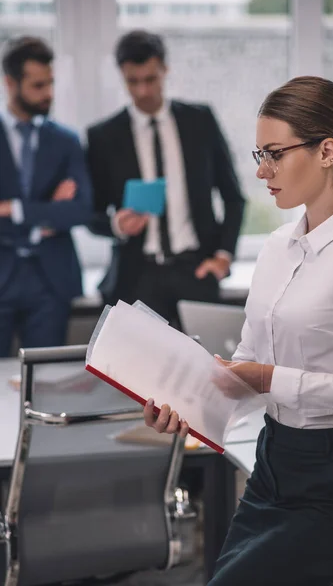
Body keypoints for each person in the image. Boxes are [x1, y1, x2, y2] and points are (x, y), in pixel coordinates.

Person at [143, 76, 333, 585]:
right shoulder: (276, 247)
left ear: (327, 150)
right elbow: (247, 361)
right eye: (259, 153)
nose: (262, 171)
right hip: (271, 468)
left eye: (275, 154)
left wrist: (271, 379)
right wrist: (185, 408)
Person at [86, 30, 245, 322]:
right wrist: (116, 224)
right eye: (133, 82)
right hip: (135, 279)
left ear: (164, 70)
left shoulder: (200, 121)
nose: (143, 91)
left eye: (151, 79)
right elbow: (90, 214)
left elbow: (234, 197)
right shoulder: (103, 137)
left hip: (196, 272)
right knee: (138, 368)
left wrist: (224, 255)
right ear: (122, 76)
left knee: (202, 366)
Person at [0, 37, 92, 357]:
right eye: (38, 85)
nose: (48, 94)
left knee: (44, 383)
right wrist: (50, 210)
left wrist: (13, 209)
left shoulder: (66, 141)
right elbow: (61, 214)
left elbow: (81, 211)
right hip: (2, 272)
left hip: (50, 282)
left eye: (50, 83)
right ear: (10, 83)